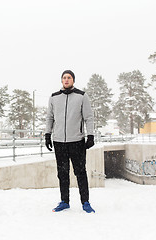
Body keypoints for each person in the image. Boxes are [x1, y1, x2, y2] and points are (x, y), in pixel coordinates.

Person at [45, 70, 95, 213]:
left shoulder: (82, 96)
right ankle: (64, 201)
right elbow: (50, 117)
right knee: (62, 173)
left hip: (77, 141)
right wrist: (48, 134)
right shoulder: (54, 97)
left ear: (73, 80)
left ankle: (85, 202)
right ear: (61, 80)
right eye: (64, 78)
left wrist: (90, 135)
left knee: (80, 172)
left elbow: (88, 117)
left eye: (69, 78)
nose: (66, 80)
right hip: (59, 141)